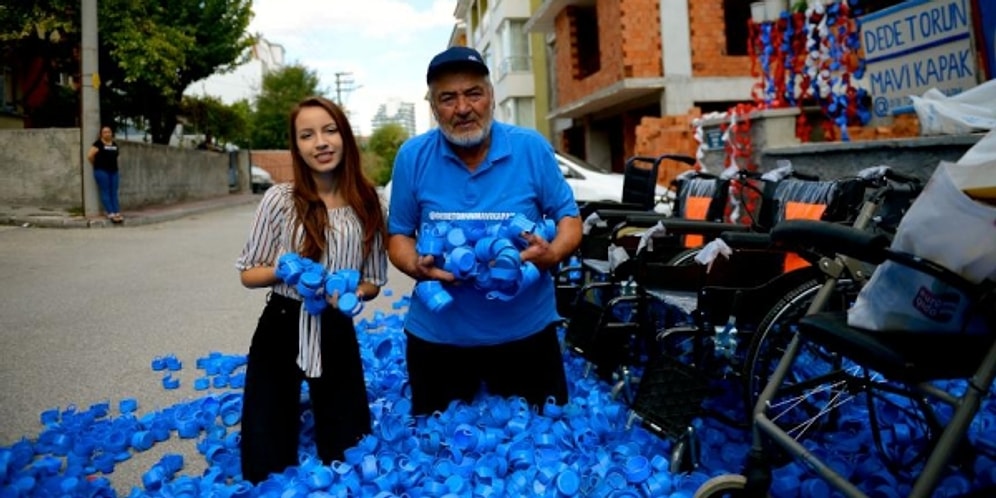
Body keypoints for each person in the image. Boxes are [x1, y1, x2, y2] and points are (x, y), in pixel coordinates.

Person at [387, 46, 583, 416]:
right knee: (439, 443)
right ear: (434, 107)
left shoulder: (531, 148)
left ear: (491, 96)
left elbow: (569, 218)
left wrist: (554, 253)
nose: (463, 108)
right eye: (448, 98)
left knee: (539, 438)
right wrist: (416, 265)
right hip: (439, 341)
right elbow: (398, 235)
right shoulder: (412, 157)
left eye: (473, 93)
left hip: (526, 338)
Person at [235, 96, 388, 483]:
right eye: (307, 135)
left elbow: (373, 280)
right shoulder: (280, 199)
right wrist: (283, 271)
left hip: (336, 326)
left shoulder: (369, 202)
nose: (320, 142)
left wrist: (352, 293)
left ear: (345, 137)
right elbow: (248, 272)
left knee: (348, 448)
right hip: (281, 323)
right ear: (297, 146)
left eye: (329, 130)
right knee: (264, 462)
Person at [86, 125, 123, 223]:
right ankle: (110, 212)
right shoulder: (98, 144)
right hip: (101, 171)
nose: (107, 134)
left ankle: (117, 212)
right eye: (105, 132)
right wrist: (96, 164)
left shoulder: (114, 144)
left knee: (114, 192)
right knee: (105, 191)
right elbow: (89, 156)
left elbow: (116, 156)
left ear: (111, 133)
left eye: (109, 132)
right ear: (101, 134)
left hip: (114, 171)